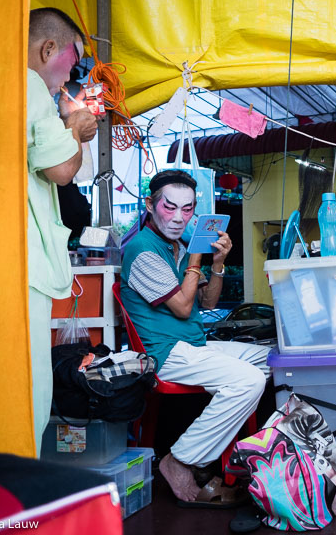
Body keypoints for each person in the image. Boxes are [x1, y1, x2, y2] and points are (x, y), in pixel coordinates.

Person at [120, 170, 269, 505]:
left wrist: (217, 262)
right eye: (169, 207)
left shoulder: (179, 246)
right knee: (248, 381)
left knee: (273, 358)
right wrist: (197, 257)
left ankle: (249, 445)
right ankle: (181, 460)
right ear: (150, 204)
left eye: (187, 210)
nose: (177, 217)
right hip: (165, 354)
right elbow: (185, 308)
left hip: (193, 346)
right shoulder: (143, 251)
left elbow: (210, 302)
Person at [27, 7, 98, 455]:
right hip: (24, 266)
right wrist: (73, 127)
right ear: (48, 48)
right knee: (31, 393)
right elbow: (60, 169)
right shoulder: (30, 83)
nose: (69, 78)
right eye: (70, 65)